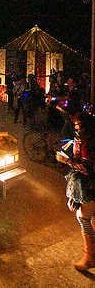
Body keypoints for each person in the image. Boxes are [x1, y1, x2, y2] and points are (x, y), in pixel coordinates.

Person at [56, 111, 95, 270]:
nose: (77, 130)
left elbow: (87, 168)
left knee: (84, 217)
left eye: (79, 126)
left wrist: (66, 160)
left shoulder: (88, 142)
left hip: (90, 186)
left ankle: (90, 257)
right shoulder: (82, 139)